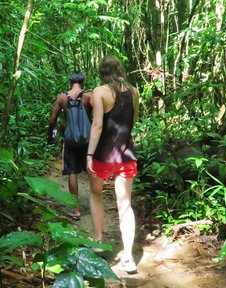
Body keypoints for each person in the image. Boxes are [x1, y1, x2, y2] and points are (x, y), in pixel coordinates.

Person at [86, 55, 139, 274]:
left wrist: (89, 154)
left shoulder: (99, 92)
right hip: (126, 154)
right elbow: (133, 121)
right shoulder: (134, 91)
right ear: (121, 69)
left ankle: (98, 240)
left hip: (102, 155)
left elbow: (97, 125)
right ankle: (128, 257)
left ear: (102, 72)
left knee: (96, 193)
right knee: (125, 204)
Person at [48, 71, 93, 220]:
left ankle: (76, 209)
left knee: (72, 171)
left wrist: (50, 134)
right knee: (90, 168)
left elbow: (52, 119)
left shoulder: (62, 98)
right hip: (87, 139)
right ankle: (96, 204)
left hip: (70, 140)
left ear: (70, 81)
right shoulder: (88, 96)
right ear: (82, 81)